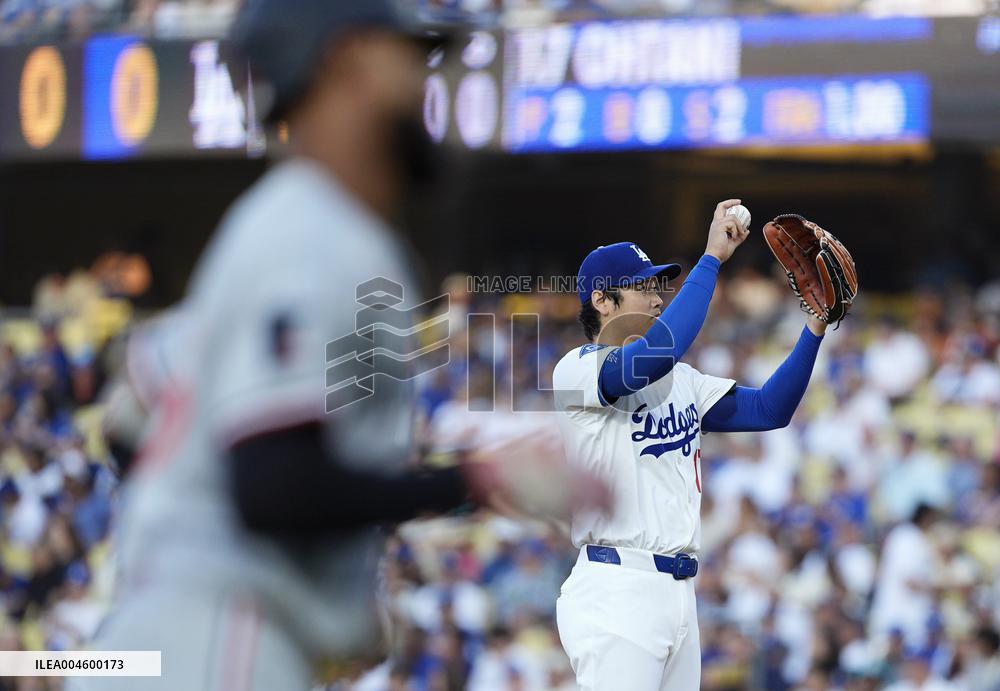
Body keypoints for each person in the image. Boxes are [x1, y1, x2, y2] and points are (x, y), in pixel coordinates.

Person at [74, 2, 606, 689]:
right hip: (217, 639)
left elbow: (134, 414)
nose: (425, 81)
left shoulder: (293, 224)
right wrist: (474, 480)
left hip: (186, 638)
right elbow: (271, 485)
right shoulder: (314, 229)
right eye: (409, 54)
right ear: (346, 58)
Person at [551, 199, 829, 690]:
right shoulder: (577, 369)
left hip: (678, 592)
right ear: (601, 301)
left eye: (659, 287)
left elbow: (770, 410)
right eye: (642, 288)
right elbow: (657, 353)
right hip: (617, 588)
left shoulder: (682, 381)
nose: (657, 298)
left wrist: (813, 328)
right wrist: (711, 259)